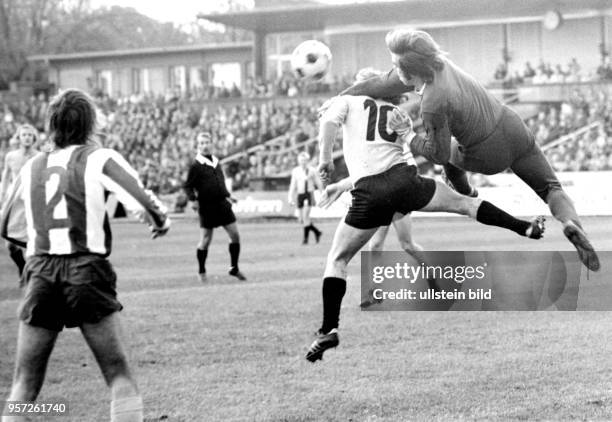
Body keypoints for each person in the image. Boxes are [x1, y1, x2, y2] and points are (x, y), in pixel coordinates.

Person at [305, 82, 545, 362]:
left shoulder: (345, 101)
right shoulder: (396, 113)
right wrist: (344, 184)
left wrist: (325, 161)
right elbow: (389, 155)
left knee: (337, 259)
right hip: (406, 182)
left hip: (370, 192)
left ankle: (328, 329)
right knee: (464, 204)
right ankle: (523, 227)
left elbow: (330, 128)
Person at [340, 29, 599, 272]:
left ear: (411, 72)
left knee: (449, 155)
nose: (393, 69)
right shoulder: (440, 64)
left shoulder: (432, 102)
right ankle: (570, 224)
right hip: (512, 126)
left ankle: (466, 193)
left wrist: (408, 135)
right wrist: (340, 100)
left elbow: (437, 155)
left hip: (486, 152)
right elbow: (378, 84)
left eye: (396, 65)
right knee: (551, 188)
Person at [0, 89, 171, 422]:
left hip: (39, 272)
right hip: (86, 270)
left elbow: (6, 223)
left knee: (23, 386)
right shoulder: (100, 157)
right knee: (119, 375)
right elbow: (146, 203)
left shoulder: (32, 166)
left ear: (52, 124)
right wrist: (160, 222)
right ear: (90, 123)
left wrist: (40, 241)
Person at [184, 132, 246, 282]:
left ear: (212, 144)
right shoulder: (196, 166)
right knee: (205, 240)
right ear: (198, 146)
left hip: (222, 204)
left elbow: (220, 182)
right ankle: (201, 271)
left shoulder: (216, 162)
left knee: (235, 235)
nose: (205, 145)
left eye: (207, 142)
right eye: (202, 143)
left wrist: (228, 195)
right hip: (207, 206)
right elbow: (188, 186)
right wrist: (193, 200)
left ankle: (234, 268)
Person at [0, 124, 39, 279]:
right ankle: (22, 267)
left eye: (30, 135)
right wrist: (3, 197)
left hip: (33, 202)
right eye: (24, 135)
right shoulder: (11, 156)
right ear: (19, 137)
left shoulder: (39, 156)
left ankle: (33, 275)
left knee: (33, 241)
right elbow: (5, 177)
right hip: (15, 202)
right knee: (10, 244)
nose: (27, 137)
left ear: (34, 138)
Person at [288, 151, 323, 244]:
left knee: (305, 216)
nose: (303, 162)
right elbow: (293, 185)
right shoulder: (296, 171)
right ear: (299, 161)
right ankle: (317, 232)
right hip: (300, 195)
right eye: (301, 160)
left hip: (309, 194)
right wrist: (290, 197)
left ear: (307, 161)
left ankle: (305, 239)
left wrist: (322, 193)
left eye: (305, 160)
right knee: (301, 219)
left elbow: (318, 182)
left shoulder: (312, 170)